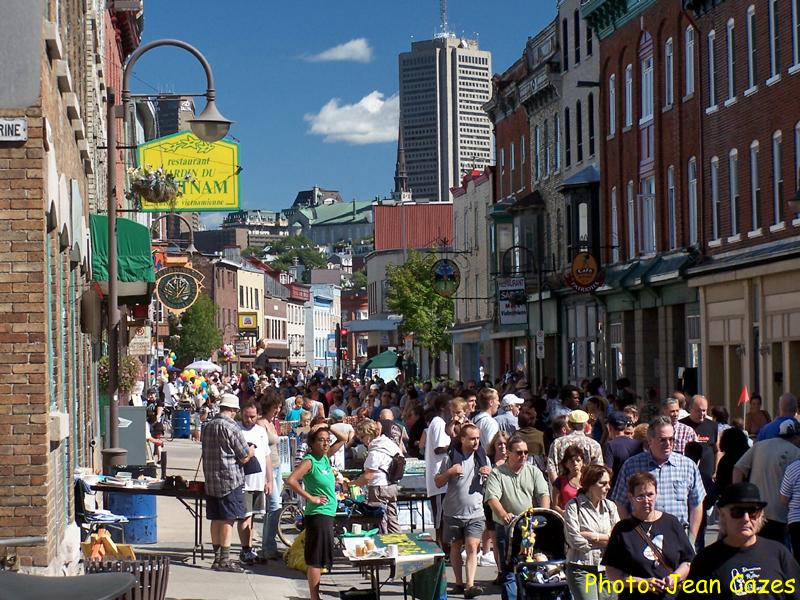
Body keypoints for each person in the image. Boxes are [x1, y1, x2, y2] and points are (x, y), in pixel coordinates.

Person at [679, 482, 800, 600]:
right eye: (738, 512)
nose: (746, 519)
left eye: (753, 512)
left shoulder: (779, 554)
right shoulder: (706, 560)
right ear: (723, 515)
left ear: (761, 515)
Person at [611, 417, 706, 546]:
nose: (668, 444)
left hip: (677, 537)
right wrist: (633, 532)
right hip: (643, 537)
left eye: (671, 439)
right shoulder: (632, 465)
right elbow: (620, 502)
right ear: (650, 441)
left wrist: (691, 538)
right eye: (663, 440)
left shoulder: (687, 466)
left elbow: (696, 504)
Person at [602, 472, 694, 600]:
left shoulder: (672, 522)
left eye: (650, 495)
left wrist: (675, 577)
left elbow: (687, 561)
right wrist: (640, 583)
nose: (646, 500)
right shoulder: (622, 530)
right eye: (640, 496)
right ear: (631, 497)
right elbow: (611, 571)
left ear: (657, 494)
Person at [484, 435, 550, 600]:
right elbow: (492, 498)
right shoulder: (498, 473)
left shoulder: (533, 471)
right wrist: (503, 514)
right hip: (506, 528)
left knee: (530, 570)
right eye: (519, 452)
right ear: (509, 453)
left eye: (526, 452)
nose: (524, 456)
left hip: (529, 528)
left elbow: (543, 494)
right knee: (509, 572)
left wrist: (543, 514)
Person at [434, 424, 491, 599]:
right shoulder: (451, 458)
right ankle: (458, 583)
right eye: (472, 438)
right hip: (453, 511)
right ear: (463, 439)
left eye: (478, 438)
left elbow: (492, 486)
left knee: (473, 546)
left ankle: (470, 585)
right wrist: (450, 472)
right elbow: (438, 482)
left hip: (475, 512)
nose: (476, 442)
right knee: (456, 547)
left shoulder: (483, 459)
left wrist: (490, 474)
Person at [201, 393, 255, 572]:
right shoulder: (231, 427)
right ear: (233, 410)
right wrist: (252, 450)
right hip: (230, 479)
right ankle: (224, 559)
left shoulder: (208, 426)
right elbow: (244, 456)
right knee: (227, 519)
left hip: (211, 479)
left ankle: (217, 557)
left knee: (216, 518)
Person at [286, 426, 338, 600]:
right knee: (315, 559)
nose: (325, 443)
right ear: (312, 443)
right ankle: (314, 597)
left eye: (327, 440)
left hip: (328, 513)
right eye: (320, 440)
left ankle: (315, 595)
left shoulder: (324, 458)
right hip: (318, 514)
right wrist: (311, 497)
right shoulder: (310, 460)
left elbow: (345, 438)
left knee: (322, 558)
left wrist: (329, 426)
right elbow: (291, 480)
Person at [733, 418, 800, 543]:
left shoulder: (759, 446)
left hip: (756, 510)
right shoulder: (796, 453)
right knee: (777, 552)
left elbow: (738, 468)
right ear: (796, 436)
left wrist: (739, 497)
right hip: (780, 514)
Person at [564, 464, 620, 600]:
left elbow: (618, 539)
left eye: (609, 483)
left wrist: (592, 536)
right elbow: (574, 541)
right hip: (581, 568)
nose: (608, 487)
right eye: (603, 483)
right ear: (590, 484)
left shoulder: (610, 506)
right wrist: (606, 540)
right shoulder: (573, 506)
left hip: (607, 568)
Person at [352, 418, 402, 534]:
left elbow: (368, 475)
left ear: (369, 435)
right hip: (392, 486)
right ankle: (398, 547)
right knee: (392, 520)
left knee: (379, 522)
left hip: (378, 488)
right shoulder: (388, 443)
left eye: (362, 437)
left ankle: (383, 547)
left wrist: (352, 484)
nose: (361, 440)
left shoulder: (375, 450)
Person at [236, 401, 271, 565]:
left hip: (258, 481)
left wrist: (269, 480)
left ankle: (249, 549)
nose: (249, 419)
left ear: (257, 415)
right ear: (241, 413)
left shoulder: (261, 431)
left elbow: (266, 456)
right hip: (244, 481)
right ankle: (245, 550)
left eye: (252, 416)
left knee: (253, 515)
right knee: (244, 516)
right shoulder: (236, 429)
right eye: (246, 416)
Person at [424, 394, 453, 549]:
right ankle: (441, 547)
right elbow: (439, 448)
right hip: (439, 478)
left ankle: (445, 546)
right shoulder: (439, 422)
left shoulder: (440, 423)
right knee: (440, 517)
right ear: (443, 407)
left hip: (442, 478)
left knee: (444, 515)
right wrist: (456, 444)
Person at [257, 395, 284, 561]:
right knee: (274, 506)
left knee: (274, 507)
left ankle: (269, 544)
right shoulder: (261, 423)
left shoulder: (272, 423)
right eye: (276, 407)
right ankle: (268, 546)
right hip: (267, 469)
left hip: (277, 466)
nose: (278, 410)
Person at [546, 409, 603, 483]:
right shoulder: (594, 445)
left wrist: (557, 489)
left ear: (569, 424)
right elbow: (598, 470)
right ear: (585, 424)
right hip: (585, 490)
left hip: (563, 489)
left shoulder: (557, 443)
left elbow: (551, 468)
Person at [604, 411, 642, 488]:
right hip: (636, 487)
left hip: (617, 488)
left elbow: (608, 470)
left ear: (609, 427)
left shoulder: (610, 445)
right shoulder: (637, 444)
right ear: (625, 427)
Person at [553, 444, 584, 513]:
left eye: (578, 460)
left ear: (582, 462)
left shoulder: (588, 479)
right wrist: (564, 513)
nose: (575, 463)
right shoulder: (559, 481)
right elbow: (555, 506)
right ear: (566, 464)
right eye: (572, 461)